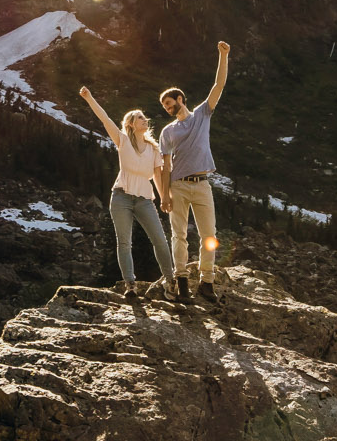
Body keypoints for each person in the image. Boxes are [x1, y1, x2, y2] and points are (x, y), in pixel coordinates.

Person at [78, 85, 176, 297]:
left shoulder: (153, 149)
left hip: (144, 200)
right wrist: (90, 97)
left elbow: (158, 176)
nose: (144, 119)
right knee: (124, 242)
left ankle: (171, 281)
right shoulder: (122, 140)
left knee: (159, 239)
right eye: (139, 117)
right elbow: (104, 119)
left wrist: (164, 199)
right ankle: (130, 286)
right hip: (121, 196)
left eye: (144, 117)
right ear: (131, 124)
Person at [158, 40, 229, 302]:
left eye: (169, 103)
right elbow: (165, 165)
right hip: (177, 185)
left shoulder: (202, 115)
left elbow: (218, 86)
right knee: (179, 235)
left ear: (180, 99)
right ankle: (183, 284)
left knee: (209, 235)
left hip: (202, 184)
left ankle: (207, 282)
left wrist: (223, 56)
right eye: (164, 107)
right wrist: (164, 195)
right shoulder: (167, 132)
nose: (167, 108)